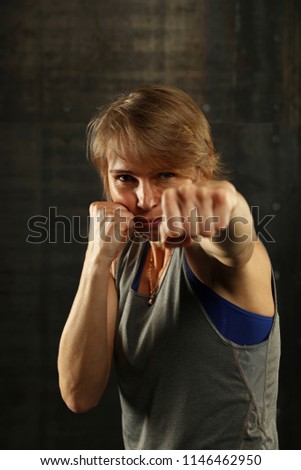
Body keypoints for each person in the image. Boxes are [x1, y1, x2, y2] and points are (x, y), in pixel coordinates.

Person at [57, 85, 280, 450]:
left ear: (201, 172)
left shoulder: (226, 263)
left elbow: (234, 242)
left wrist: (228, 205)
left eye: (165, 176)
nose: (144, 199)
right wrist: (96, 261)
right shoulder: (124, 257)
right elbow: (78, 394)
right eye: (126, 178)